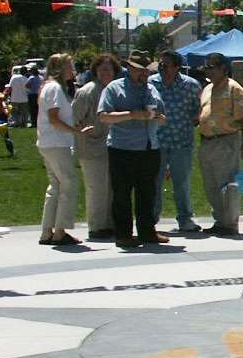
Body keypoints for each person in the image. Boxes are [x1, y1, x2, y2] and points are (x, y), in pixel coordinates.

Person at [98, 50, 167, 248]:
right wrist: (131, 115)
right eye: (139, 71)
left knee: (148, 193)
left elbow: (161, 114)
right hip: (122, 148)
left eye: (146, 71)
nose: (143, 75)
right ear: (129, 68)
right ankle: (123, 234)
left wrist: (159, 118)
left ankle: (147, 232)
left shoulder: (152, 89)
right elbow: (103, 116)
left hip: (149, 147)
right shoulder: (114, 88)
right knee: (122, 194)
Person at [196, 52, 243, 237]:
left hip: (226, 140)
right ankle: (219, 220)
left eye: (211, 67)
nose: (207, 70)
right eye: (206, 67)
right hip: (206, 142)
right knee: (210, 184)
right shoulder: (207, 88)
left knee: (227, 185)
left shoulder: (234, 88)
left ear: (223, 68)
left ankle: (230, 223)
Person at [150, 51, 203, 233]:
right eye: (160, 65)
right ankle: (151, 220)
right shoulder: (151, 84)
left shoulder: (191, 86)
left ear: (177, 67)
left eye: (166, 65)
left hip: (182, 142)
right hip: (157, 142)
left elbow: (199, 112)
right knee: (154, 183)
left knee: (182, 183)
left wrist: (194, 119)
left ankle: (185, 219)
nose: (162, 69)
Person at [35, 54, 81, 246]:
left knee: (55, 186)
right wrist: (75, 131)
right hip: (57, 143)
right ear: (61, 68)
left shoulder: (48, 86)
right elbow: (54, 118)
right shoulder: (55, 88)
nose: (73, 70)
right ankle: (60, 231)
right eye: (70, 66)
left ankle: (47, 231)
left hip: (48, 143)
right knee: (68, 183)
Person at [73, 54, 118, 239]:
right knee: (96, 188)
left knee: (110, 188)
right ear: (95, 71)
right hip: (91, 148)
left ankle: (109, 224)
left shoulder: (114, 89)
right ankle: (96, 226)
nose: (106, 73)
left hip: (111, 147)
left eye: (109, 69)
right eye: (102, 69)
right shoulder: (87, 91)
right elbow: (74, 118)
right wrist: (84, 130)